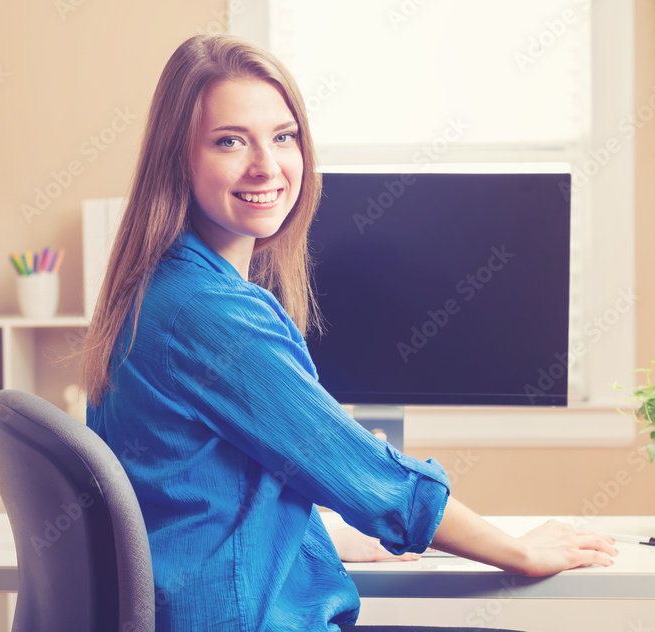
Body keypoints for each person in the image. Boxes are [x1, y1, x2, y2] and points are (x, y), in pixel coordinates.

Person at [80, 33, 617, 632]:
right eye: (230, 141)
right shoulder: (210, 313)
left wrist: (318, 538)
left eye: (283, 137)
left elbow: (213, 489)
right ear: (177, 157)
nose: (267, 165)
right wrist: (520, 549)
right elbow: (361, 472)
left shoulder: (161, 286)